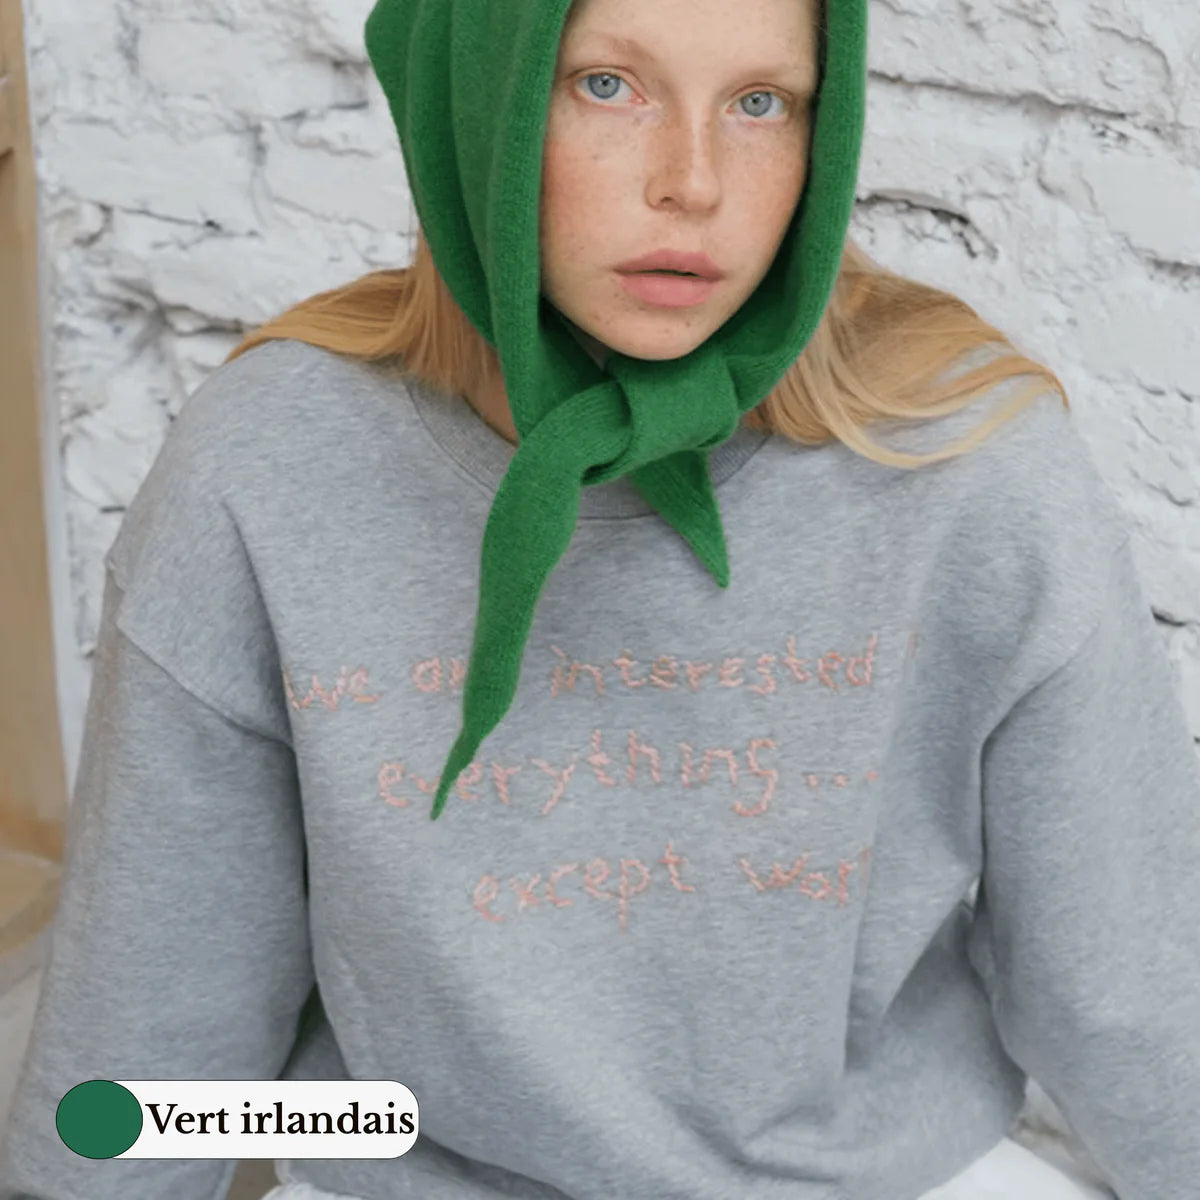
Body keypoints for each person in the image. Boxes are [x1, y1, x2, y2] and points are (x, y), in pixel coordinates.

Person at [2, 0, 1198, 1197]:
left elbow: (1129, 992)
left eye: (761, 102)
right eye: (607, 85)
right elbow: (160, 1028)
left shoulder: (965, 455)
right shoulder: (270, 459)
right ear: (475, 91)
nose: (695, 182)